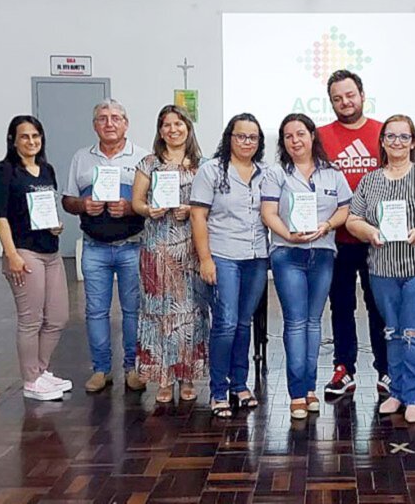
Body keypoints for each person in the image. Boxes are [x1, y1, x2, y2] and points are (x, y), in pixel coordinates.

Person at [346, 114, 415, 424]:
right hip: (382, 269)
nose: (397, 142)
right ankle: (397, 391)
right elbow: (354, 219)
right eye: (390, 136)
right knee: (392, 332)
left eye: (403, 137)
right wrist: (370, 233)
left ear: (413, 142)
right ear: (382, 142)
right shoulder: (370, 180)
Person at [261, 113, 351, 420]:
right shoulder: (276, 174)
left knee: (314, 322)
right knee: (296, 322)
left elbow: (344, 209)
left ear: (312, 136)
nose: (295, 141)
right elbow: (269, 212)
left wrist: (326, 226)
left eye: (301, 134)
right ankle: (296, 393)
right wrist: (287, 234)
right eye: (288, 136)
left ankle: (310, 388)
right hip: (287, 253)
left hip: (323, 253)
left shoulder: (332, 173)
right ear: (283, 142)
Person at [61, 99, 147, 393]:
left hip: (132, 246)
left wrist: (132, 208)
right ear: (94, 124)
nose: (109, 123)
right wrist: (83, 204)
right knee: (96, 311)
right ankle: (101, 370)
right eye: (102, 118)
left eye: (115, 118)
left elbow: (153, 203)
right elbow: (67, 200)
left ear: (126, 123)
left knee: (133, 311)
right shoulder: (81, 158)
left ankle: (132, 368)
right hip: (94, 247)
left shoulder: (143, 158)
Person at [191, 113, 268, 419]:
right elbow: (198, 216)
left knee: (243, 322)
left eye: (253, 137)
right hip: (223, 255)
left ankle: (239, 383)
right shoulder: (212, 171)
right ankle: (218, 389)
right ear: (229, 137)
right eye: (241, 136)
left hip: (257, 256)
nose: (246, 142)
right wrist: (205, 259)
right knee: (225, 322)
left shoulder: (266, 173)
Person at [0, 115, 70, 402]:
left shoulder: (46, 169)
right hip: (24, 251)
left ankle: (41, 370)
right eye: (25, 136)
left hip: (51, 249)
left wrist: (56, 224)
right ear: (13, 140)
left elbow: (47, 208)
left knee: (58, 317)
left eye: (36, 136)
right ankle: (30, 379)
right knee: (30, 319)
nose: (31, 141)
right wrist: (10, 254)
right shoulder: (3, 172)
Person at [317, 69, 389, 397]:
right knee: (341, 305)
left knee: (379, 305)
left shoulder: (382, 132)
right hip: (337, 239)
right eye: (337, 98)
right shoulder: (319, 136)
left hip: (378, 238)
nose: (345, 102)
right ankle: (343, 369)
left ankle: (386, 370)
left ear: (362, 95)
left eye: (350, 95)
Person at [131, 105, 209, 403]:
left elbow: (210, 205)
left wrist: (191, 209)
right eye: (166, 125)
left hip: (191, 247)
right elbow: (136, 202)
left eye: (178, 124)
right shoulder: (148, 163)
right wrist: (149, 209)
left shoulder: (202, 165)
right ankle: (163, 379)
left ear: (188, 128)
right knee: (158, 313)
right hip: (157, 247)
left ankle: (187, 376)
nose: (172, 129)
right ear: (159, 130)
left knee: (191, 312)